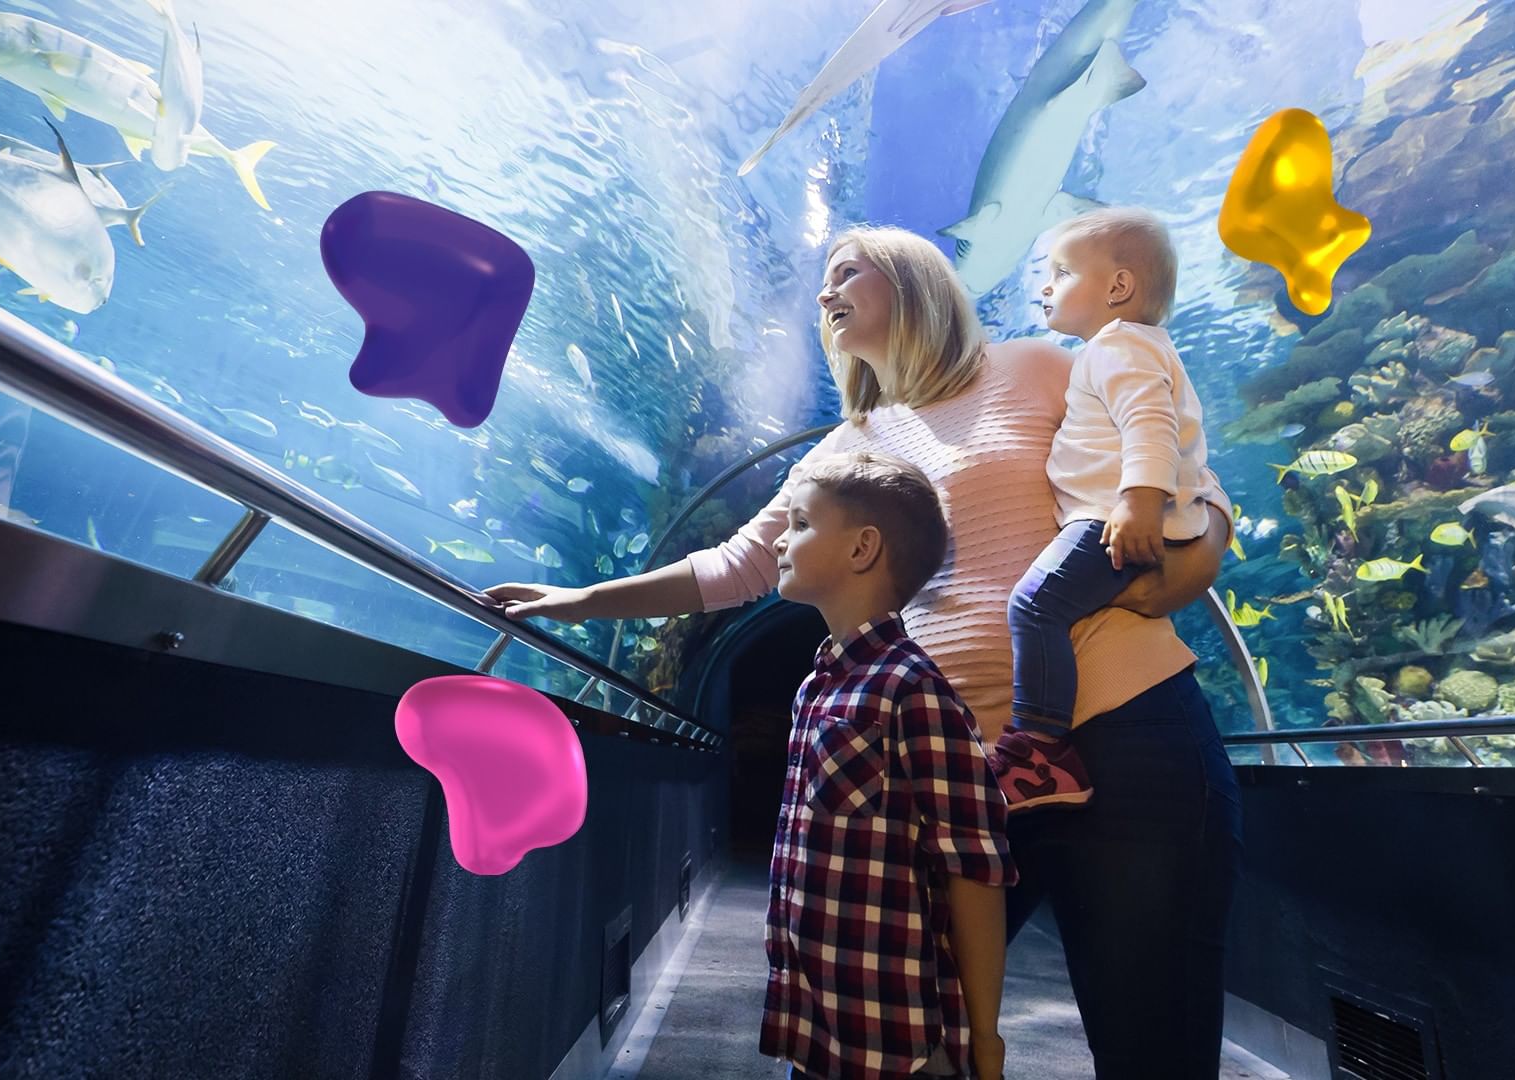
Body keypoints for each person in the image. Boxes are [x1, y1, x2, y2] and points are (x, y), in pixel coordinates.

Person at [488, 226, 1244, 1079]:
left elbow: (1172, 451)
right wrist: (581, 600)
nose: (825, 292)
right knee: (903, 1042)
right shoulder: (846, 448)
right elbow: (735, 567)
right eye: (825, 279)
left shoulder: (1037, 366)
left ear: (914, 280)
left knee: (1154, 1046)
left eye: (847, 271)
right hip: (964, 774)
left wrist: (1206, 546)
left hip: (1130, 736)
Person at [760, 448, 1016, 1080]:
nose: (779, 542)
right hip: (816, 1020)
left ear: (862, 548)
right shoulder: (816, 688)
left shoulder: (913, 688)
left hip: (896, 1040)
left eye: (800, 523)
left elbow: (974, 868)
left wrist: (985, 1040)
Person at [992, 207, 1214, 813]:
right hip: (1117, 512)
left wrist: (1139, 499)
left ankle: (1039, 750)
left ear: (1118, 287)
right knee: (1041, 605)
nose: (1046, 287)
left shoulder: (1119, 346)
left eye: (1062, 273)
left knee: (1035, 605)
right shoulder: (1124, 348)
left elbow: (1150, 422)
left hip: (1114, 517)